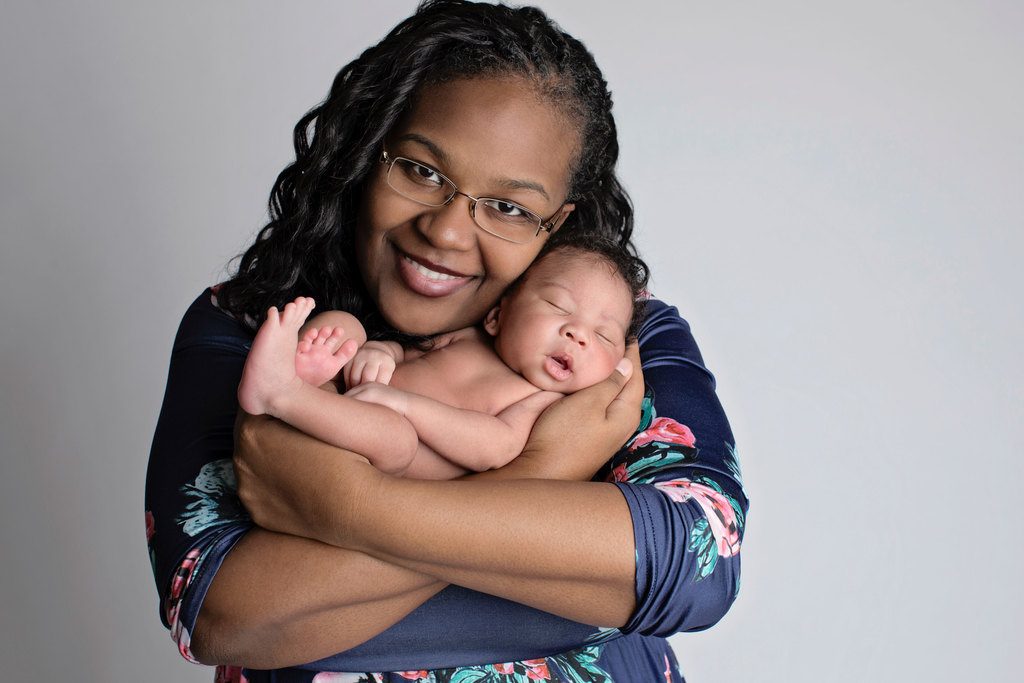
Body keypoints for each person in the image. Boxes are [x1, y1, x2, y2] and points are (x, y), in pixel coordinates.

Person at [145, 1, 748, 681]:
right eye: (422, 171)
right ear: (365, 152)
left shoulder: (614, 343)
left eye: (510, 207)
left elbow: (696, 568)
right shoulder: (256, 328)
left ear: (558, 223)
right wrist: (548, 489)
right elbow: (224, 615)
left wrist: (345, 509)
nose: (449, 232)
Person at [238, 240, 650, 480]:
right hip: (348, 396)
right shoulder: (467, 335)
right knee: (347, 326)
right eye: (559, 307)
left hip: (386, 458)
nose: (577, 335)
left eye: (602, 335)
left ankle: (280, 394)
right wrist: (380, 351)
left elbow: (495, 446)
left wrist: (406, 406)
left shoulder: (542, 399)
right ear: (497, 315)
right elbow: (408, 351)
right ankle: (304, 372)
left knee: (395, 437)